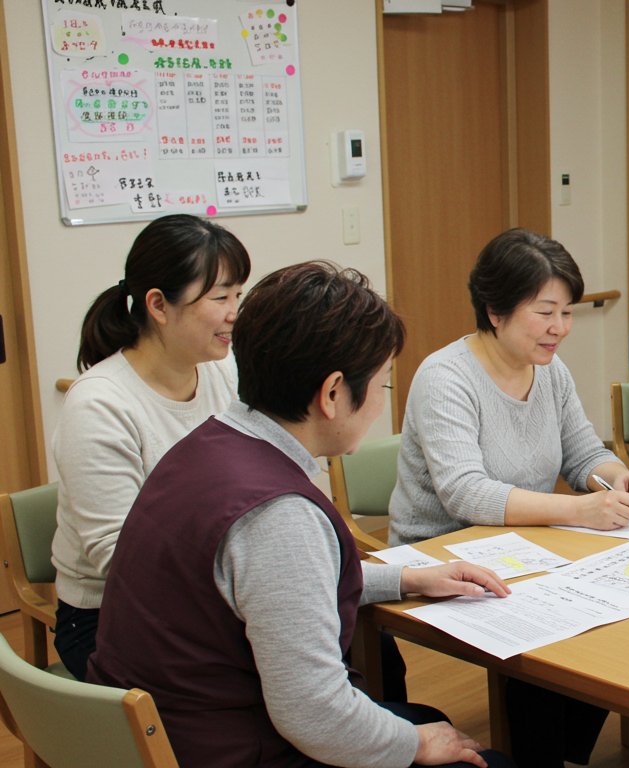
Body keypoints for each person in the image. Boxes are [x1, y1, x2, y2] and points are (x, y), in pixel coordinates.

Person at [87, 262, 514, 768]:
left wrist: (408, 578)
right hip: (228, 747)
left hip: (159, 730)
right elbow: (315, 715)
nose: (382, 404)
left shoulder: (208, 445)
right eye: (382, 386)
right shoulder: (277, 514)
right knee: (473, 753)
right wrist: (416, 745)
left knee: (419, 716)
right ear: (333, 393)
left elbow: (269, 588)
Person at [390, 228, 629, 766]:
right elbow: (465, 493)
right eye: (545, 312)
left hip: (520, 545)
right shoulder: (445, 377)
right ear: (495, 311)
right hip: (443, 551)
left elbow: (582, 454)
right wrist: (580, 509)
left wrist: (616, 475)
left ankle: (557, 747)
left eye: (568, 313)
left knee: (622, 598)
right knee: (552, 620)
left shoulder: (549, 370)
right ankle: (540, 754)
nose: (561, 329)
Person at [50, 213, 250, 680]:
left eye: (238, 294)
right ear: (158, 304)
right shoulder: (99, 405)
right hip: (110, 616)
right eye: (220, 297)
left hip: (212, 590)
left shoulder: (224, 371)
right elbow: (121, 560)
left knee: (349, 644)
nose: (234, 312)